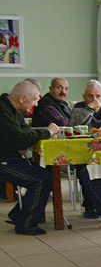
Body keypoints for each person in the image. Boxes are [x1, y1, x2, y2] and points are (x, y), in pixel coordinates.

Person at [0, 81, 59, 235]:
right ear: (22, 99)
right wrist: (47, 132)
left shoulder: (12, 110)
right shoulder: (3, 111)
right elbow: (19, 138)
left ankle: (18, 215)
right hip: (3, 160)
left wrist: (27, 139)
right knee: (41, 179)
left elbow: (25, 133)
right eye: (34, 100)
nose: (36, 103)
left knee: (46, 175)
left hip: (9, 157)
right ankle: (25, 224)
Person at [69, 80, 101, 222]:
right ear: (84, 97)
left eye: (98, 96)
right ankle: (90, 206)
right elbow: (74, 127)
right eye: (90, 96)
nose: (94, 100)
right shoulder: (78, 108)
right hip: (82, 152)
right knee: (84, 172)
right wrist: (89, 109)